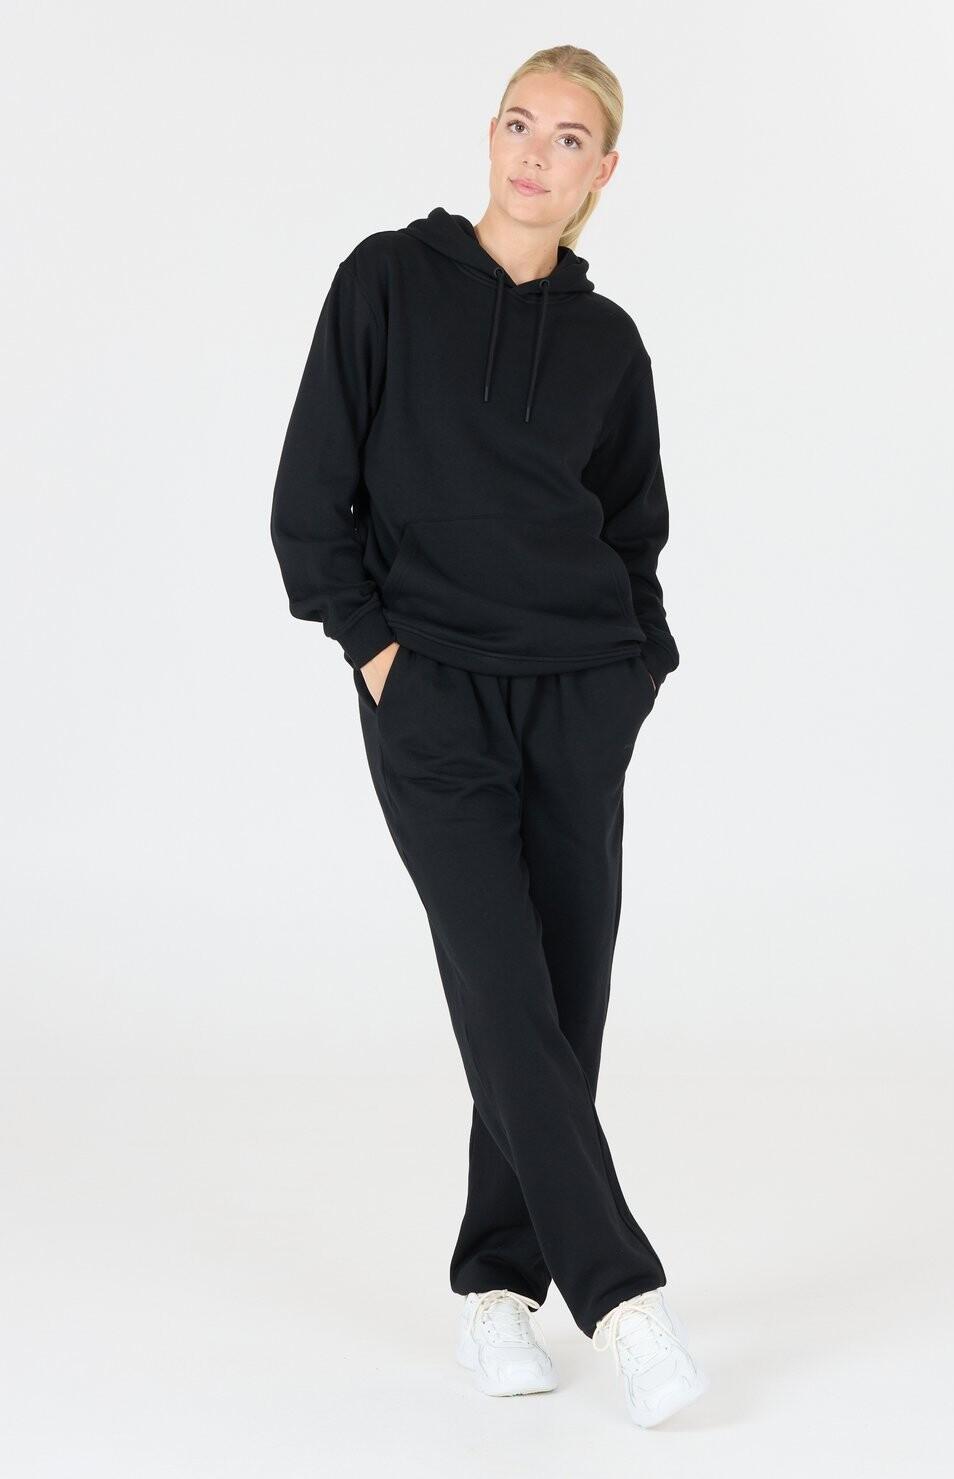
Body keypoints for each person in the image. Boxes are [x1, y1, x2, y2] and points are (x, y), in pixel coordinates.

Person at [270, 45, 708, 1428]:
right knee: (503, 988)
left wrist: (633, 672)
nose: (535, 153)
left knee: (564, 1001)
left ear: (602, 172)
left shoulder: (609, 345)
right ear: (492, 135)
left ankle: (497, 1286)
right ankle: (626, 1303)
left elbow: (633, 533)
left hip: (579, 694)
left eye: (568, 138)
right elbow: (309, 501)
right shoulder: (387, 283)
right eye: (520, 123)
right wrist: (379, 653)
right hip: (434, 692)